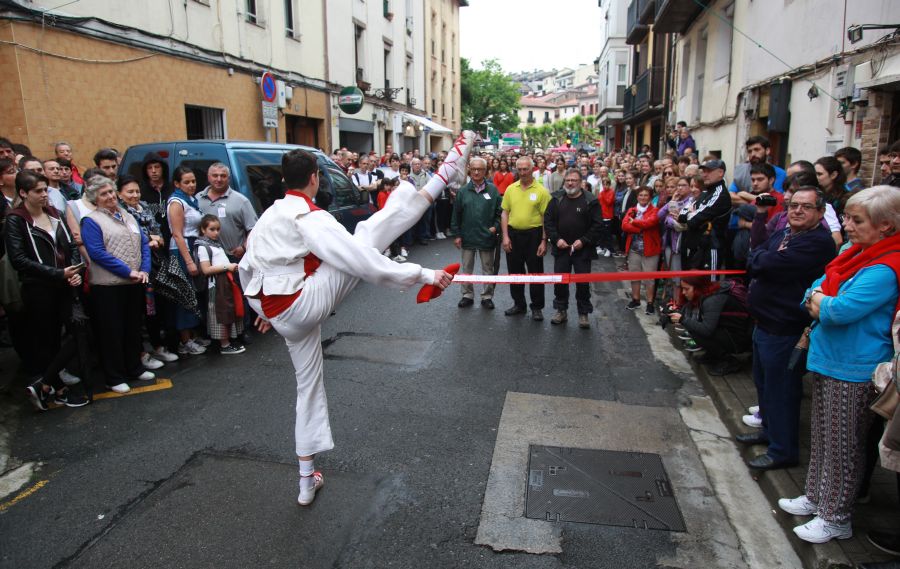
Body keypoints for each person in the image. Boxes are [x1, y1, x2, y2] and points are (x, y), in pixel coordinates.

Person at [240, 133, 470, 507]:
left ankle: (305, 481)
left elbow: (249, 267)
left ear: (286, 181)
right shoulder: (309, 216)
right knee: (364, 239)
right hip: (301, 304)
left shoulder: (269, 216)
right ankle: (438, 180)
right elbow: (363, 263)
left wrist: (262, 311)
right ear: (315, 176)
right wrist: (424, 275)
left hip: (280, 312)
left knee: (307, 388)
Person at [778, 186, 900, 543]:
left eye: (856, 220)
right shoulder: (852, 253)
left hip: (855, 367)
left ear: (886, 227)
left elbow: (838, 311)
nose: (846, 225)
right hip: (830, 360)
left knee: (843, 447)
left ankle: (836, 517)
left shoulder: (884, 267)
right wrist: (819, 298)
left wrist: (820, 300)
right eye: (846, 216)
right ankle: (817, 497)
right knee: (824, 439)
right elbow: (814, 289)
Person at [739, 187, 837, 470]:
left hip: (784, 327)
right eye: (793, 205)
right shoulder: (786, 233)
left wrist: (759, 260)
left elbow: (767, 263)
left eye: (805, 207)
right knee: (764, 385)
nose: (797, 211)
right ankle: (768, 432)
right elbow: (756, 254)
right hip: (764, 322)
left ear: (820, 212)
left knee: (782, 391)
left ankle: (782, 451)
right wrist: (759, 260)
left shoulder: (818, 242)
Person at [4, 172, 89, 409]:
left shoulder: (55, 214)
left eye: (45, 190)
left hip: (63, 284)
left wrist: (73, 272)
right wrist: (57, 274)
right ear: (23, 193)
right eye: (38, 191)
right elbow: (18, 259)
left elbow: (71, 247)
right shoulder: (16, 219)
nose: (44, 195)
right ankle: (57, 389)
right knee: (47, 339)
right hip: (38, 288)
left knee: (80, 329)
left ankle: (43, 384)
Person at [80, 176, 154, 394]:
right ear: (95, 198)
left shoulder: (126, 214)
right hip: (107, 287)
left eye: (111, 192)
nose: (110, 197)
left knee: (133, 328)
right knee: (111, 332)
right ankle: (114, 376)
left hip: (133, 282)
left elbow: (143, 242)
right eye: (104, 194)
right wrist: (127, 271)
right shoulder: (91, 221)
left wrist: (144, 270)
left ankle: (134, 367)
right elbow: (97, 253)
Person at [544, 168, 602, 328]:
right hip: (561, 249)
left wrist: (583, 241)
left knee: (583, 283)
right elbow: (548, 222)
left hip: (583, 250)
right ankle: (561, 311)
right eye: (567, 180)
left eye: (573, 180)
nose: (570, 183)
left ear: (581, 182)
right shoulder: (556, 198)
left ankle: (583, 314)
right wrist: (556, 239)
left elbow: (597, 225)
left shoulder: (590, 200)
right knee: (560, 282)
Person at [501, 156, 551, 321]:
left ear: (532, 169)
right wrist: (506, 237)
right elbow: (505, 213)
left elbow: (546, 218)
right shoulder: (510, 189)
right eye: (519, 169)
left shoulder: (541, 191)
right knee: (515, 272)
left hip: (534, 236)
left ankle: (537, 307)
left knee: (535, 273)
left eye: (525, 169)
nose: (522, 173)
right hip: (514, 234)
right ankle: (519, 304)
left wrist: (544, 240)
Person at [166, 166, 207, 355]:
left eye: (193, 181)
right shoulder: (176, 202)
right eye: (186, 182)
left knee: (194, 293)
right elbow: (177, 234)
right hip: (182, 250)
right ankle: (185, 340)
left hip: (193, 245)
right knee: (184, 293)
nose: (191, 185)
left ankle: (193, 334)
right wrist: (189, 261)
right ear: (176, 184)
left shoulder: (191, 199)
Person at [451, 157, 501, 309]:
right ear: (469, 170)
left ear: (485, 171)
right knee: (467, 268)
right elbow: (456, 215)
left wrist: (495, 227)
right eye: (474, 169)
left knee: (488, 268)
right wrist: (457, 235)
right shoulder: (463, 191)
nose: (476, 172)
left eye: (480, 169)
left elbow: (501, 212)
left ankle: (487, 296)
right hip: (468, 236)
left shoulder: (493, 190)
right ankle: (467, 295)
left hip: (487, 236)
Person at [196, 215, 245, 354]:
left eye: (218, 229)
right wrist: (227, 267)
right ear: (203, 229)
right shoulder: (203, 247)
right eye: (212, 229)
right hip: (216, 283)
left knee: (229, 310)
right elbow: (206, 269)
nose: (216, 232)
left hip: (225, 280)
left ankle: (230, 340)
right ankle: (224, 344)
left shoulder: (216, 244)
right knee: (220, 312)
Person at [678, 159, 732, 274]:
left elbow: (693, 220)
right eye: (703, 171)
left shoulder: (719, 193)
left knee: (708, 287)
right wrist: (691, 213)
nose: (705, 174)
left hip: (711, 248)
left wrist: (692, 214)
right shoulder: (704, 192)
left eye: (709, 171)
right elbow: (681, 216)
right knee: (690, 285)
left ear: (721, 173)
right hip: (695, 246)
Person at [622, 187, 661, 315]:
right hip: (634, 249)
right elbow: (624, 225)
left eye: (646, 195)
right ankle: (635, 299)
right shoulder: (632, 210)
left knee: (649, 278)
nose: (643, 197)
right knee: (635, 276)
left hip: (650, 249)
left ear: (650, 197)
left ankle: (650, 303)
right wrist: (639, 228)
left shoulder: (655, 210)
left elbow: (649, 223)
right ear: (637, 197)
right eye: (641, 195)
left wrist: (635, 222)